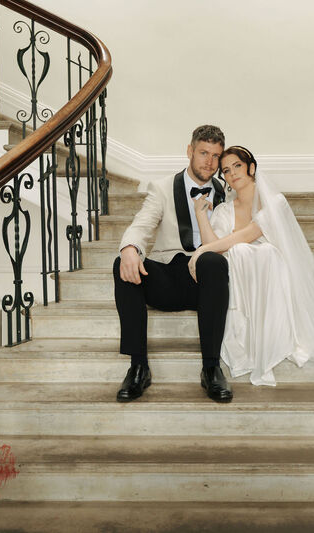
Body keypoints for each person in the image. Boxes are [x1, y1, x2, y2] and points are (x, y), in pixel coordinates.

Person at [188, 145, 314, 386]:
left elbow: (248, 235)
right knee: (237, 253)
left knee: (251, 250)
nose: (232, 173)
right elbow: (216, 248)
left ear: (251, 167)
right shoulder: (223, 210)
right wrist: (201, 216)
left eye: (237, 166)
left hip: (271, 278)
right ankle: (246, 336)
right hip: (241, 280)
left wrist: (200, 250)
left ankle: (268, 336)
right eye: (226, 170)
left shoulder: (275, 202)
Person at [113, 125, 233, 403]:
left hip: (207, 281)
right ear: (189, 151)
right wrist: (130, 248)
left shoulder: (227, 191)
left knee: (212, 261)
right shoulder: (163, 188)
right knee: (123, 262)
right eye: (203, 153)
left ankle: (211, 368)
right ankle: (138, 367)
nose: (210, 162)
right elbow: (142, 224)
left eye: (216, 156)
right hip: (169, 273)